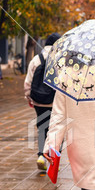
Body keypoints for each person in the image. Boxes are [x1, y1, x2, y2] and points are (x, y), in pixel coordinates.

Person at [24, 33, 61, 171]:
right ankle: (54, 159)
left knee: (42, 128)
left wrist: (29, 98)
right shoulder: (61, 60)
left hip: (39, 101)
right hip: (55, 102)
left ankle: (40, 155)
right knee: (56, 130)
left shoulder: (36, 59)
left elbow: (28, 82)